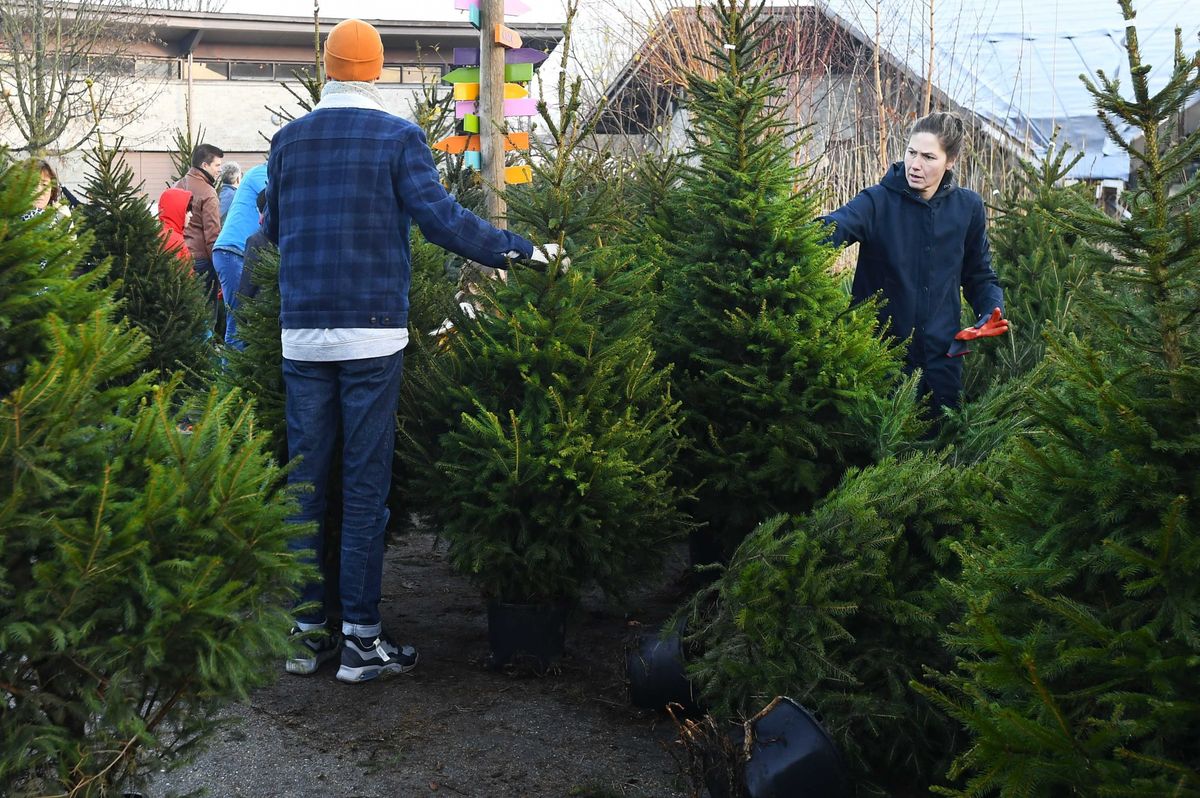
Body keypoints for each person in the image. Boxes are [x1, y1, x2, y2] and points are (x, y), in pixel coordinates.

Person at [265, 18, 534, 684]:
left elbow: (272, 229)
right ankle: (361, 642)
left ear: (328, 67)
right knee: (363, 488)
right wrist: (518, 250)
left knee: (305, 485)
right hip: (371, 333)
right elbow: (442, 221)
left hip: (302, 332)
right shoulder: (398, 138)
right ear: (374, 69)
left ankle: (305, 637)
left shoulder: (287, 141)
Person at [822, 111, 1008, 414]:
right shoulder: (876, 202)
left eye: (928, 157)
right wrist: (786, 237)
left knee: (942, 450)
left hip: (943, 360)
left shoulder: (967, 208)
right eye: (911, 153)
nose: (915, 165)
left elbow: (980, 276)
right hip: (880, 359)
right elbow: (833, 229)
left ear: (950, 162)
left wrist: (990, 312)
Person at [212, 162, 268, 349]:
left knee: (240, 320)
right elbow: (279, 200)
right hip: (233, 251)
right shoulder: (261, 174)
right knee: (238, 320)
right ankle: (232, 376)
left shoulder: (262, 174)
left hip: (237, 252)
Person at [174, 143, 225, 333]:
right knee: (205, 315)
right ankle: (205, 356)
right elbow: (212, 236)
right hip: (202, 262)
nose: (220, 170)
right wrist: (219, 269)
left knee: (185, 312)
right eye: (217, 165)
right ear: (205, 166)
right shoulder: (208, 193)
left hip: (179, 256)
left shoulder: (177, 185)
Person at [157, 187, 194, 267]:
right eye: (187, 210)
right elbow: (179, 274)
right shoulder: (173, 239)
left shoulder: (165, 233)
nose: (191, 214)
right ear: (177, 211)